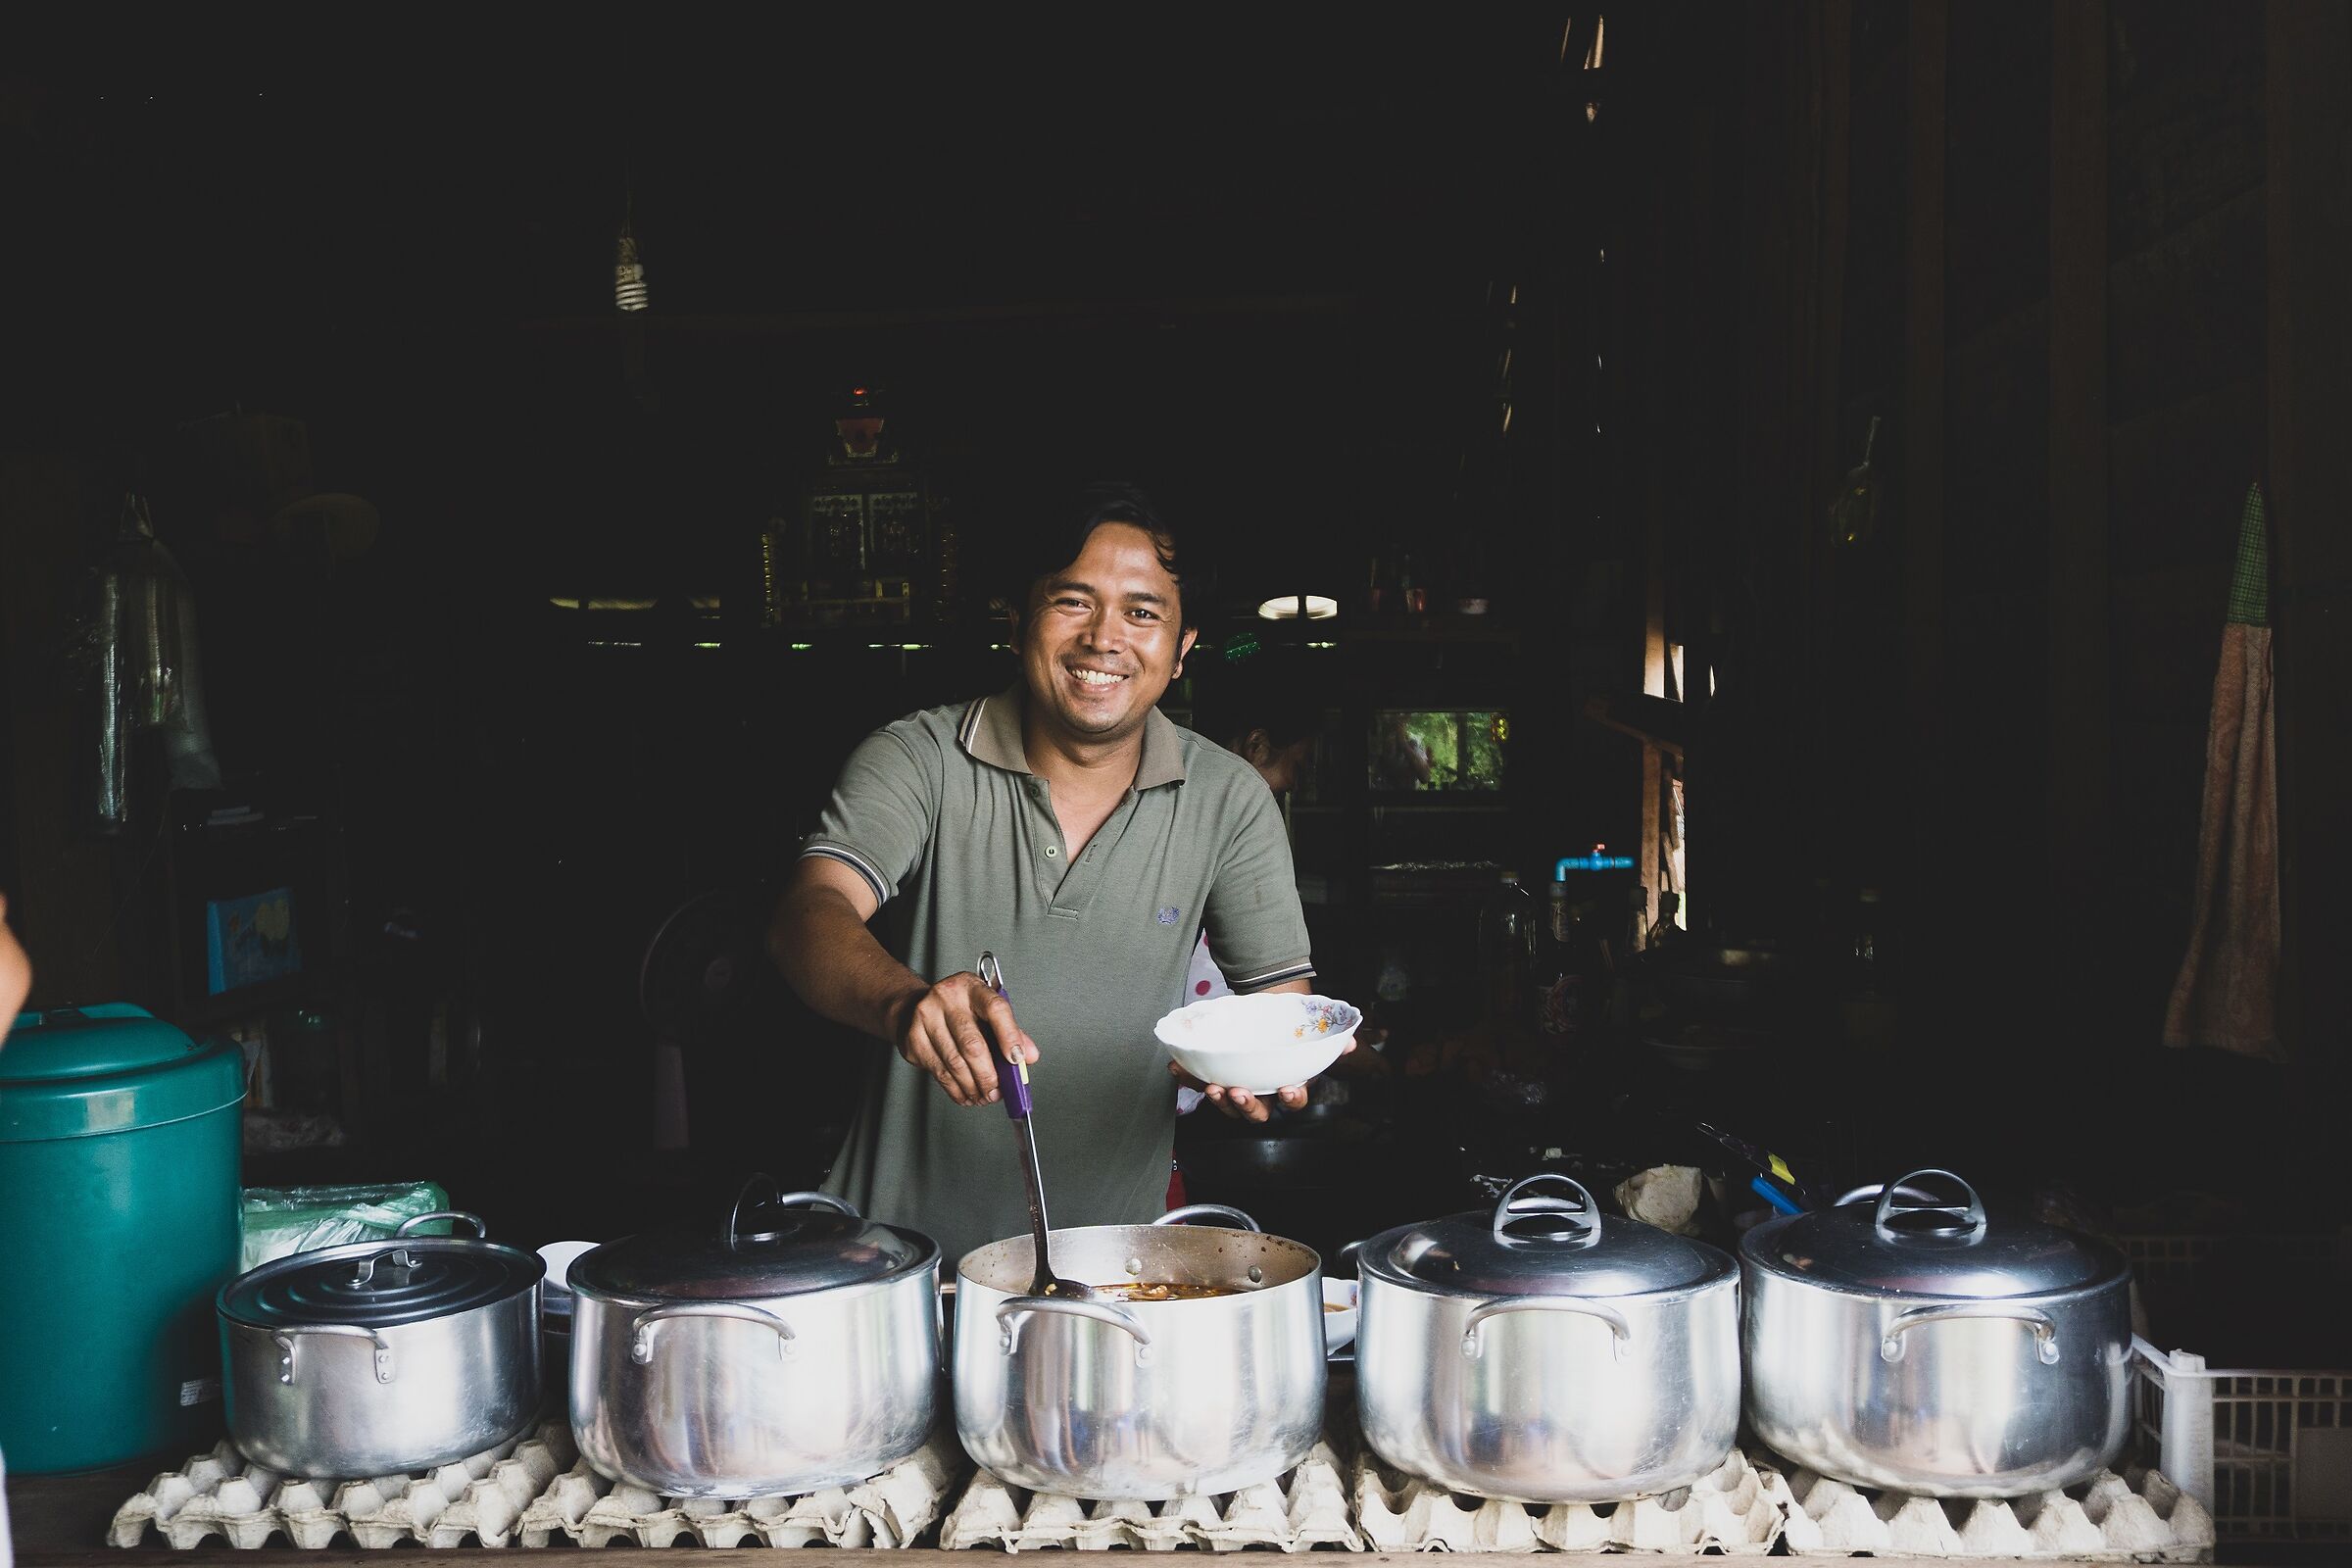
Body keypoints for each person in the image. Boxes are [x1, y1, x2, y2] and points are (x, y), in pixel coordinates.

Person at [771, 483, 1348, 1266]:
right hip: (892, 1266)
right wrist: (905, 1003)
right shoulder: (920, 758)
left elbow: (1281, 1002)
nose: (1104, 639)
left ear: (1182, 650)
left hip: (1113, 1269)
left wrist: (1269, 1060)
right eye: (1073, 602)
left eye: (1143, 613)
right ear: (1019, 621)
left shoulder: (1229, 798)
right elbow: (809, 914)